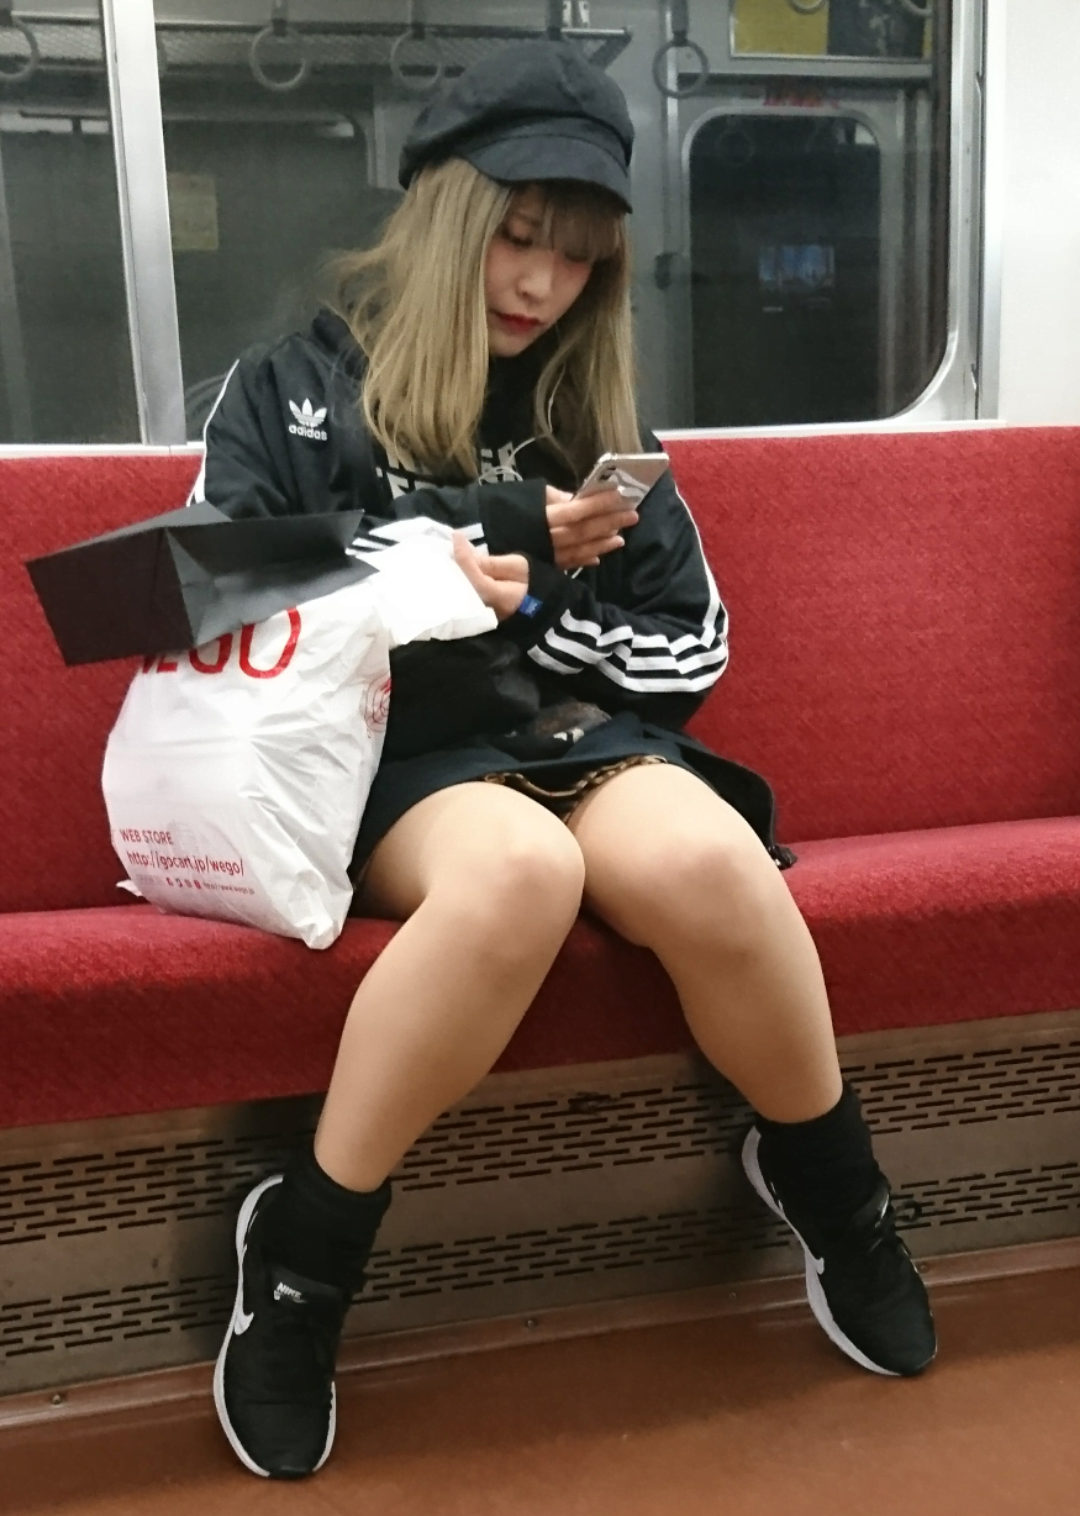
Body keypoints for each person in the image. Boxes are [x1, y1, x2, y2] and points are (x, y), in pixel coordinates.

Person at [197, 40, 936, 1481]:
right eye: (519, 234)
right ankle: (301, 1257)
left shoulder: (593, 426)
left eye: (580, 254)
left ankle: (836, 1191)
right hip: (389, 754)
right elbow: (201, 596)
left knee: (710, 860)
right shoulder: (289, 390)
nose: (542, 282)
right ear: (444, 215)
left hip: (569, 734)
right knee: (520, 874)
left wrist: (536, 604)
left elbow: (693, 648)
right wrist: (452, 560)